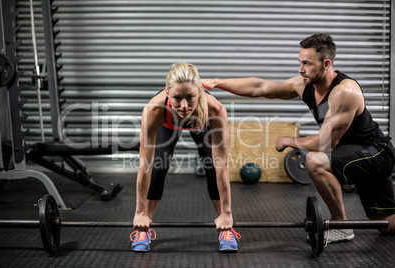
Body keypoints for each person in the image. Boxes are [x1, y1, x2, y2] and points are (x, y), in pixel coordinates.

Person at [202, 33, 395, 242]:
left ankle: (341, 226)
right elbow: (260, 87)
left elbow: (324, 144)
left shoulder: (345, 91)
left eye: (306, 64)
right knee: (385, 223)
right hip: (351, 153)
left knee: (315, 161)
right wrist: (216, 82)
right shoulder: (305, 86)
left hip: (374, 153)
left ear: (326, 63)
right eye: (300, 62)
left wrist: (289, 141)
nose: (300, 69)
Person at [130, 62, 240, 252]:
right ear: (167, 92)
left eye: (190, 97)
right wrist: (139, 212)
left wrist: (228, 213)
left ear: (199, 90)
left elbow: (222, 165)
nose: (183, 106)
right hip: (167, 122)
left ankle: (225, 227)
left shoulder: (215, 110)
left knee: (213, 166)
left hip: (202, 118)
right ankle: (143, 227)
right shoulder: (154, 111)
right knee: (157, 166)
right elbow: (144, 166)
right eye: (176, 98)